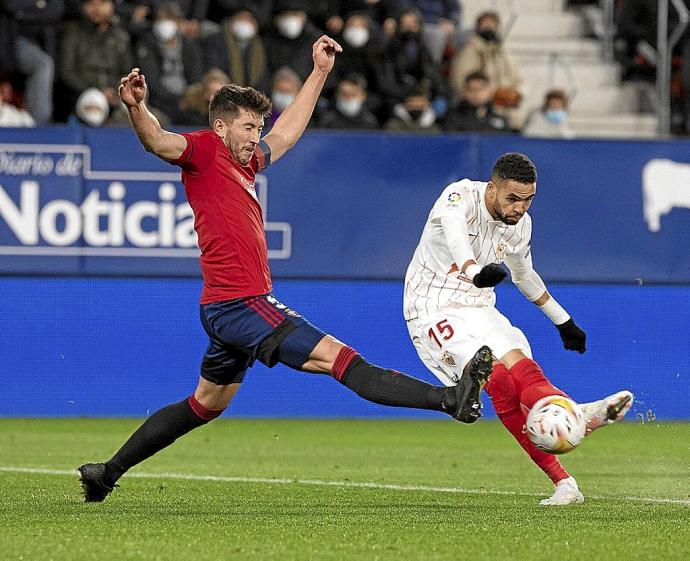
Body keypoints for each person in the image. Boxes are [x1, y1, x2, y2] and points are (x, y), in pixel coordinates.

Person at [77, 35, 490, 502]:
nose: (257, 137)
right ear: (220, 127)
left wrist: (319, 73)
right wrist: (136, 107)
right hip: (242, 304)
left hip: (223, 308)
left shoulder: (246, 164)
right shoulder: (204, 151)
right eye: (249, 127)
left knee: (204, 405)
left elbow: (287, 135)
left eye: (258, 128)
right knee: (341, 360)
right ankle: (449, 399)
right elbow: (156, 140)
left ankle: (105, 474)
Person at [403, 152, 634, 506]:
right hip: (432, 309)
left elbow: (524, 275)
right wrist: (474, 272)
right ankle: (569, 443)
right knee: (500, 382)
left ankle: (568, 467)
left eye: (528, 200)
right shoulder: (459, 197)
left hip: (479, 306)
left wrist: (563, 320)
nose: (520, 208)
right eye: (513, 198)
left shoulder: (520, 224)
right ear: (492, 188)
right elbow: (454, 236)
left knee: (523, 369)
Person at [443, 71, 508, 133]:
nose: (476, 93)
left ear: (489, 91)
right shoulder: (454, 118)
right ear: (465, 92)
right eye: (471, 89)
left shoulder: (499, 118)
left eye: (480, 89)